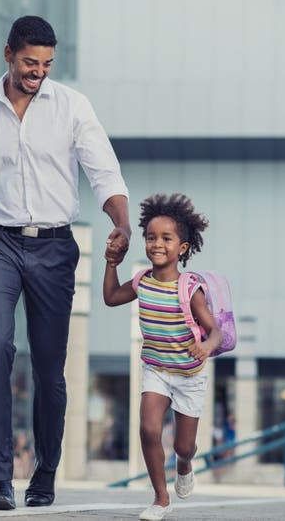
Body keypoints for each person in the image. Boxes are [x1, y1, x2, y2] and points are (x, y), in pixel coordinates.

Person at [0, 15, 131, 510]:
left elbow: (104, 173)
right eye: (30, 63)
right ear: (9, 54)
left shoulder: (73, 107)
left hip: (55, 247)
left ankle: (46, 470)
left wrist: (120, 224)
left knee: (49, 369)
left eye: (47, 65)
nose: (39, 73)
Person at [103, 193, 223, 521]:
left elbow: (216, 332)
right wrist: (111, 264)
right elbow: (112, 297)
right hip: (156, 368)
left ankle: (185, 464)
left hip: (189, 373)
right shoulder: (142, 281)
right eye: (151, 237)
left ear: (182, 248)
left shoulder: (189, 289)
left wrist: (207, 347)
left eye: (166, 238)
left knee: (184, 445)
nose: (157, 244)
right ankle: (160, 498)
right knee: (148, 428)